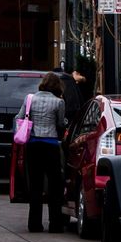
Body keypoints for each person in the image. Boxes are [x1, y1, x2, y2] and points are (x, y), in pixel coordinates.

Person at [24, 73, 69, 233]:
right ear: (57, 86)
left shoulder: (30, 99)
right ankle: (55, 224)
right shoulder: (59, 102)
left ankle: (34, 224)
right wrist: (65, 123)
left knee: (35, 185)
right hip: (50, 145)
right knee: (55, 185)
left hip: (33, 145)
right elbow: (60, 123)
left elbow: (20, 117)